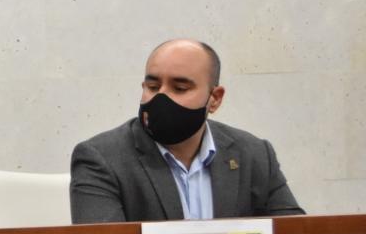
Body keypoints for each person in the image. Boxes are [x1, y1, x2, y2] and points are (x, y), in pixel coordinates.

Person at [70, 39, 303, 223]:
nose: (161, 97)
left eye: (179, 88)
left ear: (215, 98)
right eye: (152, 87)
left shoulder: (254, 154)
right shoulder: (101, 159)